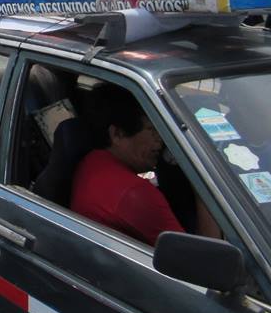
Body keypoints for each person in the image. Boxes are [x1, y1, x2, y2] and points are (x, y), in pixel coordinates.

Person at [70, 83, 218, 245]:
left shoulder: (92, 161)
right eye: (151, 129)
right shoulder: (135, 194)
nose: (160, 139)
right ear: (117, 134)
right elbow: (204, 261)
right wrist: (204, 186)